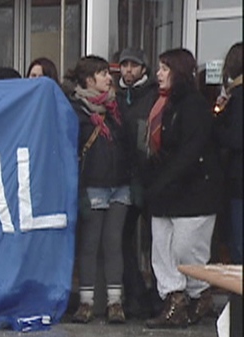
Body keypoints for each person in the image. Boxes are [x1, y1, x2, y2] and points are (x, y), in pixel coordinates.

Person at [143, 48, 223, 329]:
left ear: (178, 72)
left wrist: (162, 179)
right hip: (165, 191)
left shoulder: (195, 106)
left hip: (193, 191)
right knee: (161, 247)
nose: (159, 74)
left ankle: (198, 293)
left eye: (165, 68)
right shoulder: (163, 104)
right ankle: (173, 299)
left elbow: (191, 151)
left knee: (187, 247)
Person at [64, 55, 130, 324]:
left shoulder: (117, 108)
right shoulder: (76, 110)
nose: (108, 78)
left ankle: (116, 303)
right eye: (102, 73)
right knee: (90, 245)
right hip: (92, 186)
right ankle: (87, 302)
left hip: (120, 185)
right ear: (89, 79)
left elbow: (128, 145)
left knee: (113, 244)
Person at [115, 47, 159, 318]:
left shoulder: (154, 95)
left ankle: (157, 294)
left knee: (157, 240)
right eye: (124, 65)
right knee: (121, 237)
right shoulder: (115, 96)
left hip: (150, 177)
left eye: (134, 65)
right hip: (123, 177)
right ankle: (134, 292)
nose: (128, 70)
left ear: (144, 68)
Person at [213, 42, 242, 264]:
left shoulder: (238, 97)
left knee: (237, 245)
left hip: (238, 180)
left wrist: (216, 120)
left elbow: (234, 138)